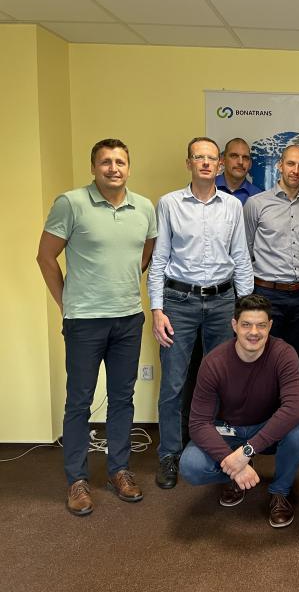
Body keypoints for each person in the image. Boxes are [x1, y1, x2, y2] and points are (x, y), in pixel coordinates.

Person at [36, 139, 157, 515]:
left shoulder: (144, 207)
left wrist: (125, 280)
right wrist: (66, 303)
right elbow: (45, 257)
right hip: (84, 322)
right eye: (105, 162)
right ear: (93, 168)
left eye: (120, 161)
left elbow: (148, 250)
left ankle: (119, 471)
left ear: (129, 167)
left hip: (128, 319)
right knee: (79, 401)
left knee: (122, 398)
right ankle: (77, 480)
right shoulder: (70, 203)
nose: (113, 168)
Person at [148, 136, 253, 490]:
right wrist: (157, 309)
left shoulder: (232, 206)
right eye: (199, 157)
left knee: (222, 381)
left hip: (223, 302)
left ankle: (215, 450)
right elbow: (159, 260)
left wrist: (245, 311)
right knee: (174, 383)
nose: (206, 163)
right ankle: (169, 454)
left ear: (219, 165)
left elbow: (241, 258)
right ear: (189, 163)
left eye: (211, 158)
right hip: (179, 302)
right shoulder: (169, 204)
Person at [179, 295, 299, 528]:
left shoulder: (284, 354)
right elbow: (198, 423)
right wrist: (231, 461)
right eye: (246, 324)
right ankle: (237, 475)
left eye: (261, 325)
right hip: (228, 431)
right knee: (191, 466)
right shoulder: (214, 362)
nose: (254, 332)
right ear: (234, 325)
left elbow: (295, 409)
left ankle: (280, 491)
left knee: (298, 430)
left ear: (270, 326)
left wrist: (247, 450)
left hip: (266, 427)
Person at [245, 144, 299, 364]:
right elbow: (245, 250)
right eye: (290, 164)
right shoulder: (256, 204)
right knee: (263, 358)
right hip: (266, 294)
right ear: (280, 165)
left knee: (296, 357)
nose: (295, 170)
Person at [215, 137, 262, 204]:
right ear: (223, 160)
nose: (240, 162)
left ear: (250, 164)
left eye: (245, 157)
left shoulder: (258, 196)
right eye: (234, 156)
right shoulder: (207, 187)